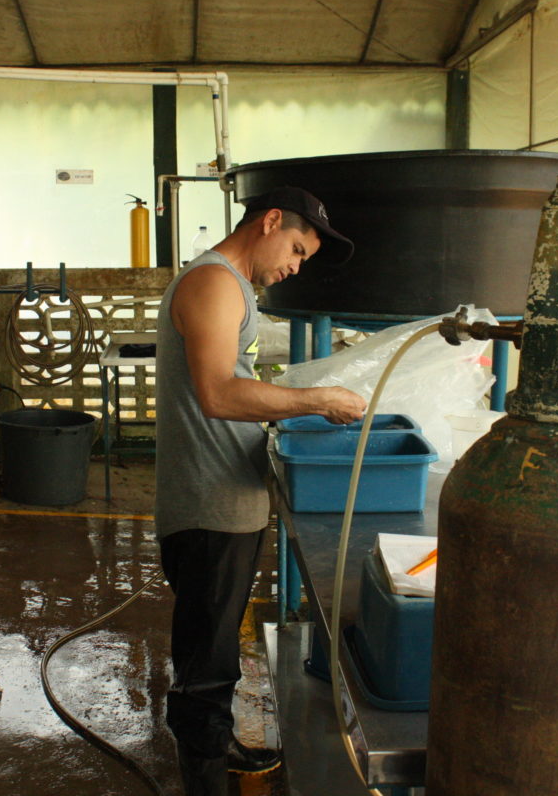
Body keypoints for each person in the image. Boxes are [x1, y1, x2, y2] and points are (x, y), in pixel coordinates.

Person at [154, 186, 367, 795]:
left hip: (228, 501)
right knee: (206, 663)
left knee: (217, 646)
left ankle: (216, 745)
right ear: (269, 221)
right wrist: (317, 400)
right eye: (297, 249)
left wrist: (285, 405)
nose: (295, 267)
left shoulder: (236, 288)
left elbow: (235, 379)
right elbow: (219, 393)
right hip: (208, 507)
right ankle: (204, 780)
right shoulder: (216, 283)